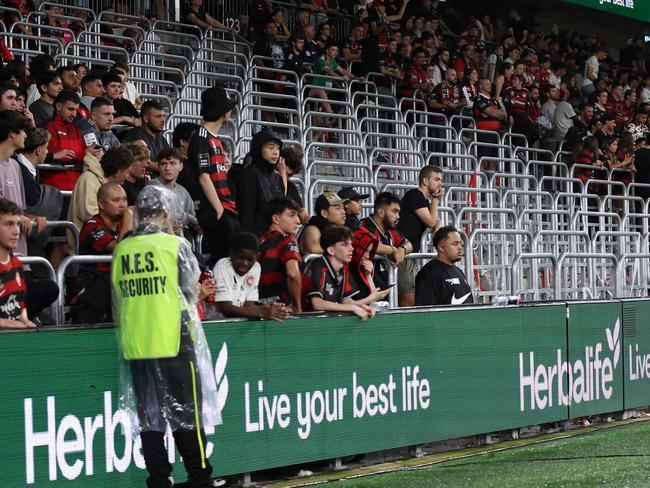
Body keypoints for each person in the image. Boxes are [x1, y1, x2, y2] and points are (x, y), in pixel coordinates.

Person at [111, 185, 223, 488]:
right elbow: (190, 290)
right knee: (187, 414)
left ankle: (159, 479)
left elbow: (120, 298)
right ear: (164, 212)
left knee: (149, 419)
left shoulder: (122, 249)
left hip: (136, 344)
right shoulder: (174, 245)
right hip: (175, 339)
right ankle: (200, 478)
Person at [179, 86, 239, 264]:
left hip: (225, 207)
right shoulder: (201, 137)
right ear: (223, 111)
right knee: (223, 261)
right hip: (216, 209)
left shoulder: (212, 138)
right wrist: (219, 211)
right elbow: (204, 178)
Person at [73, 183, 133, 323]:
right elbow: (119, 249)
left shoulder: (121, 225)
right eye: (116, 200)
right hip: (93, 289)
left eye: (124, 200)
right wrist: (129, 219)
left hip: (116, 285)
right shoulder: (92, 226)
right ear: (101, 204)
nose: (123, 205)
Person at [302, 225, 386, 320]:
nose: (352, 249)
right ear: (331, 250)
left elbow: (346, 301)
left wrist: (363, 307)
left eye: (351, 244)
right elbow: (317, 304)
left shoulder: (344, 268)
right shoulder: (317, 266)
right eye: (345, 245)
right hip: (301, 321)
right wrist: (353, 308)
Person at [0, 197, 58, 328]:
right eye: (8, 224)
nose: (16, 231)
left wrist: (25, 320)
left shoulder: (15, 262)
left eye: (17, 224)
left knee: (49, 288)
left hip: (10, 333)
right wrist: (11, 324)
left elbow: (19, 301)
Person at [213, 231, 290, 321]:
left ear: (257, 257)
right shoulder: (223, 266)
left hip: (238, 321)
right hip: (217, 322)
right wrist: (262, 312)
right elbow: (226, 309)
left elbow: (249, 306)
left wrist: (267, 309)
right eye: (240, 258)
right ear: (231, 253)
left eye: (250, 260)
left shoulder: (256, 267)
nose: (245, 263)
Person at [397, 165, 444, 307]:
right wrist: (436, 200)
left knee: (410, 296)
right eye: (436, 179)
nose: (440, 184)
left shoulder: (423, 201)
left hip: (411, 253)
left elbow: (435, 221)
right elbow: (430, 221)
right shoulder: (414, 195)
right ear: (425, 181)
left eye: (441, 180)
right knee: (408, 297)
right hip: (403, 252)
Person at [67, 145, 134, 242]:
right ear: (118, 172)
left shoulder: (109, 184)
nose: (128, 176)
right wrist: (125, 215)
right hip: (87, 249)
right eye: (127, 172)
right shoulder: (89, 179)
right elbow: (88, 214)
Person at [236, 129, 285, 235]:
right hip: (255, 237)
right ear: (258, 149)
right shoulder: (250, 173)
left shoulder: (277, 177)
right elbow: (246, 212)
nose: (276, 152)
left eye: (278, 148)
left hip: (274, 237)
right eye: (270, 147)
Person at [360, 191, 413, 290]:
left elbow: (409, 244)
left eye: (398, 212)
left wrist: (402, 250)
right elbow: (367, 243)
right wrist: (393, 250)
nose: (398, 216)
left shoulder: (390, 231)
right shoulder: (365, 226)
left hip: (385, 289)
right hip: (365, 290)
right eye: (394, 211)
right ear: (381, 212)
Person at [258, 197, 303, 312]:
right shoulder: (287, 239)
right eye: (292, 215)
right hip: (282, 310)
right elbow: (293, 273)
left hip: (259, 308)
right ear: (276, 219)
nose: (298, 220)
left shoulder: (258, 241)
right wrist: (296, 306)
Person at [415, 226, 474, 306]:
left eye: (460, 243)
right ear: (441, 248)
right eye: (455, 244)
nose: (460, 247)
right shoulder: (428, 273)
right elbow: (425, 311)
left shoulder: (458, 271)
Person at [41, 89, 86, 191]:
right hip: (54, 189)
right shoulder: (47, 127)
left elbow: (81, 152)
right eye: (70, 109)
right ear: (59, 106)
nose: (74, 114)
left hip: (75, 189)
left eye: (76, 110)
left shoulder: (76, 129)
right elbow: (38, 155)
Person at [148, 147, 198, 236]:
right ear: (158, 166)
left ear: (181, 166)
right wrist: (187, 218)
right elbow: (168, 215)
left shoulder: (183, 191)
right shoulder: (152, 187)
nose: (167, 168)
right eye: (163, 164)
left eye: (172, 163)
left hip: (179, 242)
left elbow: (194, 217)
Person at [122, 141, 150, 205]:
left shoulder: (143, 183)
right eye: (140, 160)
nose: (146, 165)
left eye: (146, 160)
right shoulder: (120, 188)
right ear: (127, 161)